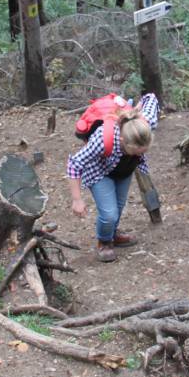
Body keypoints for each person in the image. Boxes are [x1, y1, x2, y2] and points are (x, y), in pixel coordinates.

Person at [67, 93, 160, 262]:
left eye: (144, 151)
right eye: (137, 151)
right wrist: (77, 199)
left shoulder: (146, 123)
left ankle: (113, 234)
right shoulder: (103, 139)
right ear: (123, 141)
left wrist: (136, 110)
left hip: (124, 168)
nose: (141, 154)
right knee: (109, 213)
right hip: (98, 171)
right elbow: (74, 163)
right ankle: (104, 242)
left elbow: (150, 97)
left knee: (118, 206)